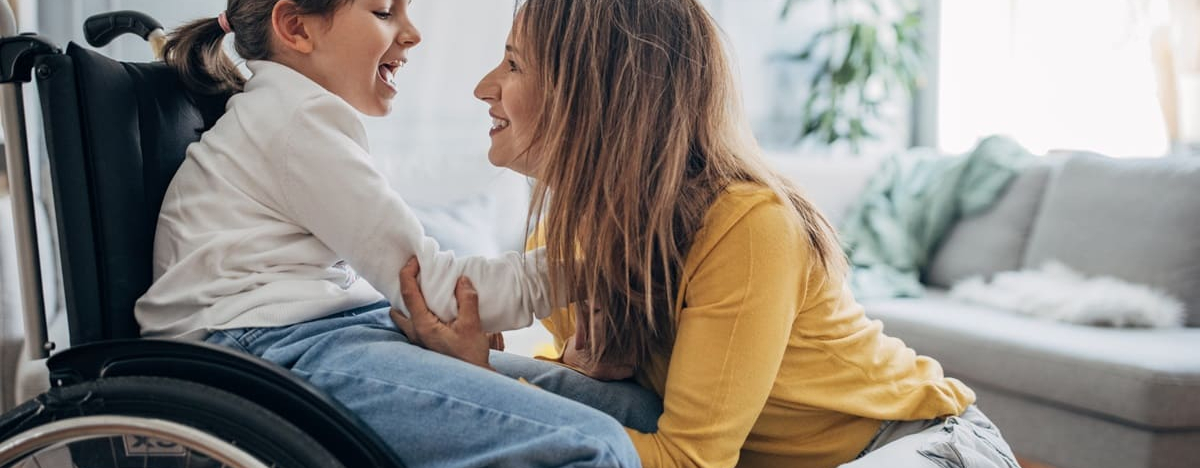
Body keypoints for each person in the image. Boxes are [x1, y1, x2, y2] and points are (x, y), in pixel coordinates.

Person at [394, 0, 1023, 467]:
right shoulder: (571, 225)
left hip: (923, 444)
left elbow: (689, 461)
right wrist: (516, 375)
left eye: (513, 63)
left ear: (599, 93)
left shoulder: (748, 225)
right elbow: (587, 388)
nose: (484, 88)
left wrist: (485, 382)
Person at [135, 0, 640, 466]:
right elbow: (433, 289)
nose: (412, 33)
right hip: (262, 354)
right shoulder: (292, 123)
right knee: (597, 446)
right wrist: (593, 266)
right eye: (383, 11)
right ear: (295, 27)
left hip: (330, 333)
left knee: (632, 409)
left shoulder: (293, 119)